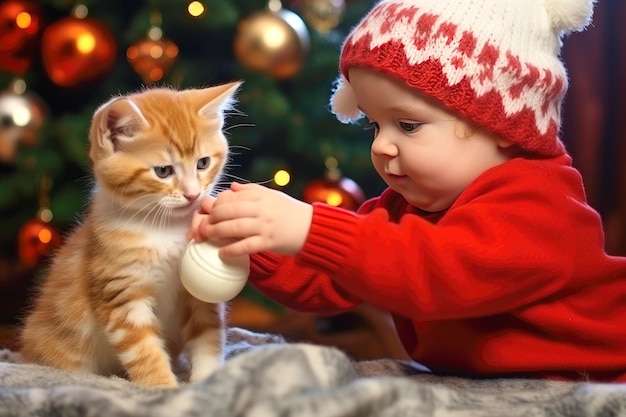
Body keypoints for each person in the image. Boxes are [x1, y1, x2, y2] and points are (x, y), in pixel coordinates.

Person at [189, 0, 626, 382]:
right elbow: (331, 280)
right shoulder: (407, 208)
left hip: (603, 375)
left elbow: (439, 271)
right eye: (375, 124)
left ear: (502, 126)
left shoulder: (540, 206)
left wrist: (308, 225)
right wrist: (248, 241)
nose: (380, 145)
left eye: (408, 125)